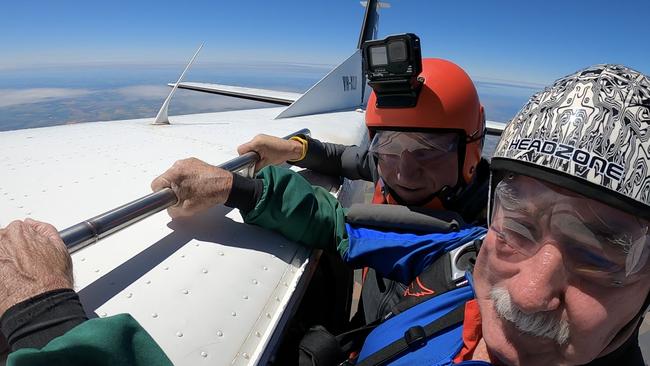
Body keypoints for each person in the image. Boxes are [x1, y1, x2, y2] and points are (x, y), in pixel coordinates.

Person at [1, 64, 648, 365]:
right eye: (522, 221)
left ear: (471, 159)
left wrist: (46, 325)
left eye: (601, 249)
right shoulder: (467, 256)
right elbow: (350, 226)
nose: (528, 286)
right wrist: (241, 188)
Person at [240, 58, 489, 327]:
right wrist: (297, 150)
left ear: (470, 152)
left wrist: (240, 189)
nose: (403, 174)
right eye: (390, 146)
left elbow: (340, 227)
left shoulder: (485, 238)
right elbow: (348, 158)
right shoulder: (388, 166)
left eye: (427, 152)